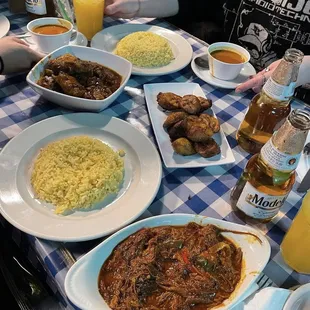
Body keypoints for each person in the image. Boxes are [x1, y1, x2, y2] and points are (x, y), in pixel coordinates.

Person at [105, 0, 310, 100]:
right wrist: (139, 5)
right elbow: (197, 3)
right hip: (221, 84)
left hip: (293, 104)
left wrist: (305, 68)